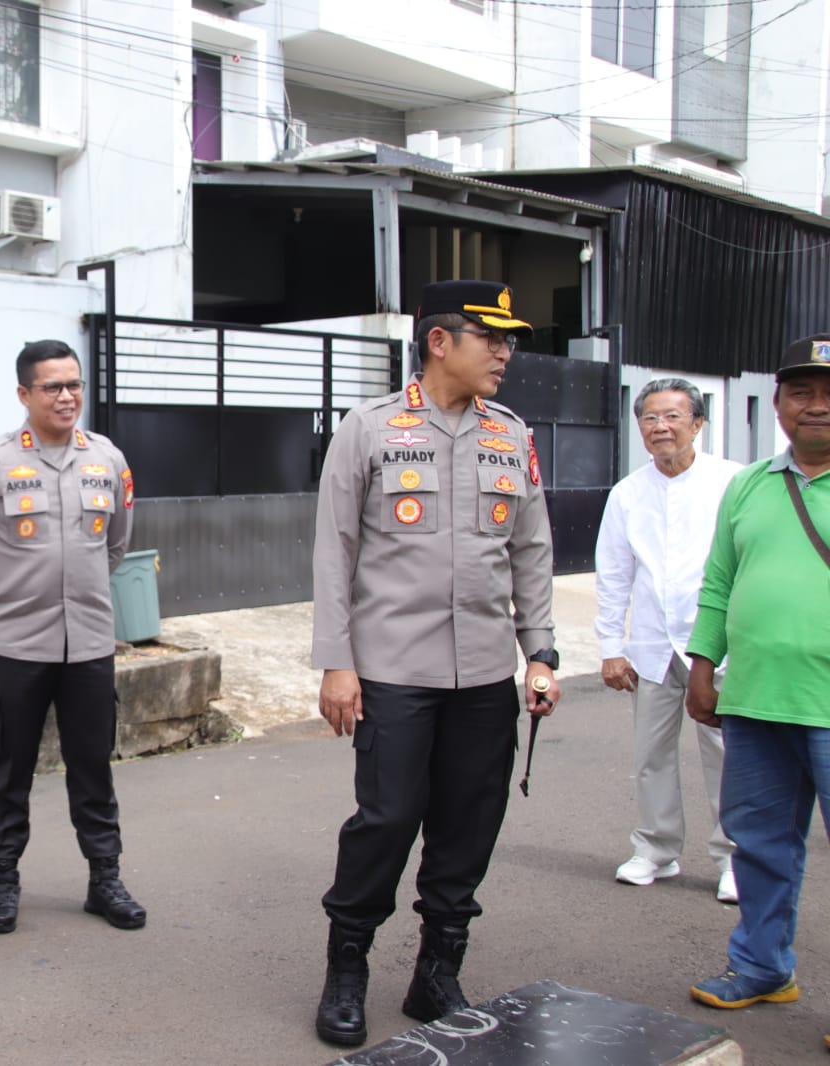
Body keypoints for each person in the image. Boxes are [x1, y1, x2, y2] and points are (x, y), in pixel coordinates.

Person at [309, 280, 559, 1048]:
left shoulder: (510, 435)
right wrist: (335, 662)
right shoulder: (370, 428)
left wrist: (540, 651)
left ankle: (437, 969)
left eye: (510, 340)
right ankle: (348, 966)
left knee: (468, 823)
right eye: (492, 338)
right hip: (392, 671)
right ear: (440, 342)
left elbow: (531, 549)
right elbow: (334, 549)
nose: (506, 352)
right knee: (385, 820)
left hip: (484, 674)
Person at [0, 339, 145, 936]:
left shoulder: (108, 459)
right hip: (17, 646)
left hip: (90, 644)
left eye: (74, 385)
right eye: (53, 387)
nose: (67, 397)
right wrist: (1, 603)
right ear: (25, 394)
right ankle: (3, 881)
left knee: (93, 767)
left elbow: (115, 543)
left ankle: (105, 878)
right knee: (10, 768)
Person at [686, 335, 830, 1059]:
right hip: (757, 701)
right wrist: (704, 664)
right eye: (802, 392)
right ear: (777, 404)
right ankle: (764, 967)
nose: (818, 405)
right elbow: (718, 582)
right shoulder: (748, 485)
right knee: (762, 845)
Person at [595, 379, 741, 902]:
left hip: (717, 644)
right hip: (654, 644)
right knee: (651, 753)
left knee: (727, 752)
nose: (661, 427)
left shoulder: (732, 483)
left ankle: (734, 858)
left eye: (673, 416)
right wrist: (612, 646)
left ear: (698, 423)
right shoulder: (628, 494)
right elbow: (613, 574)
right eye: (651, 418)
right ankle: (657, 848)